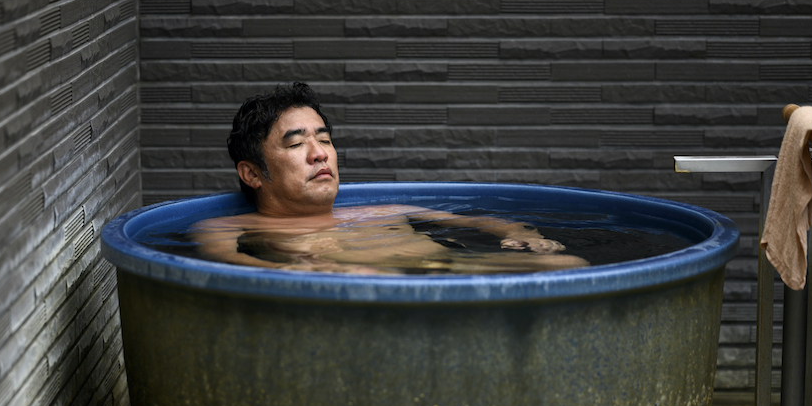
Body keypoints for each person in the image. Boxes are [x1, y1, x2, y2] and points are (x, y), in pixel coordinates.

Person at [190, 82, 588, 274]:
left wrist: (525, 234)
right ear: (252, 173)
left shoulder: (382, 211)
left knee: (569, 264)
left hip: (455, 275)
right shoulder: (227, 227)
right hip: (362, 303)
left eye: (325, 139)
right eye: (296, 145)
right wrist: (303, 271)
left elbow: (479, 220)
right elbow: (228, 262)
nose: (319, 153)